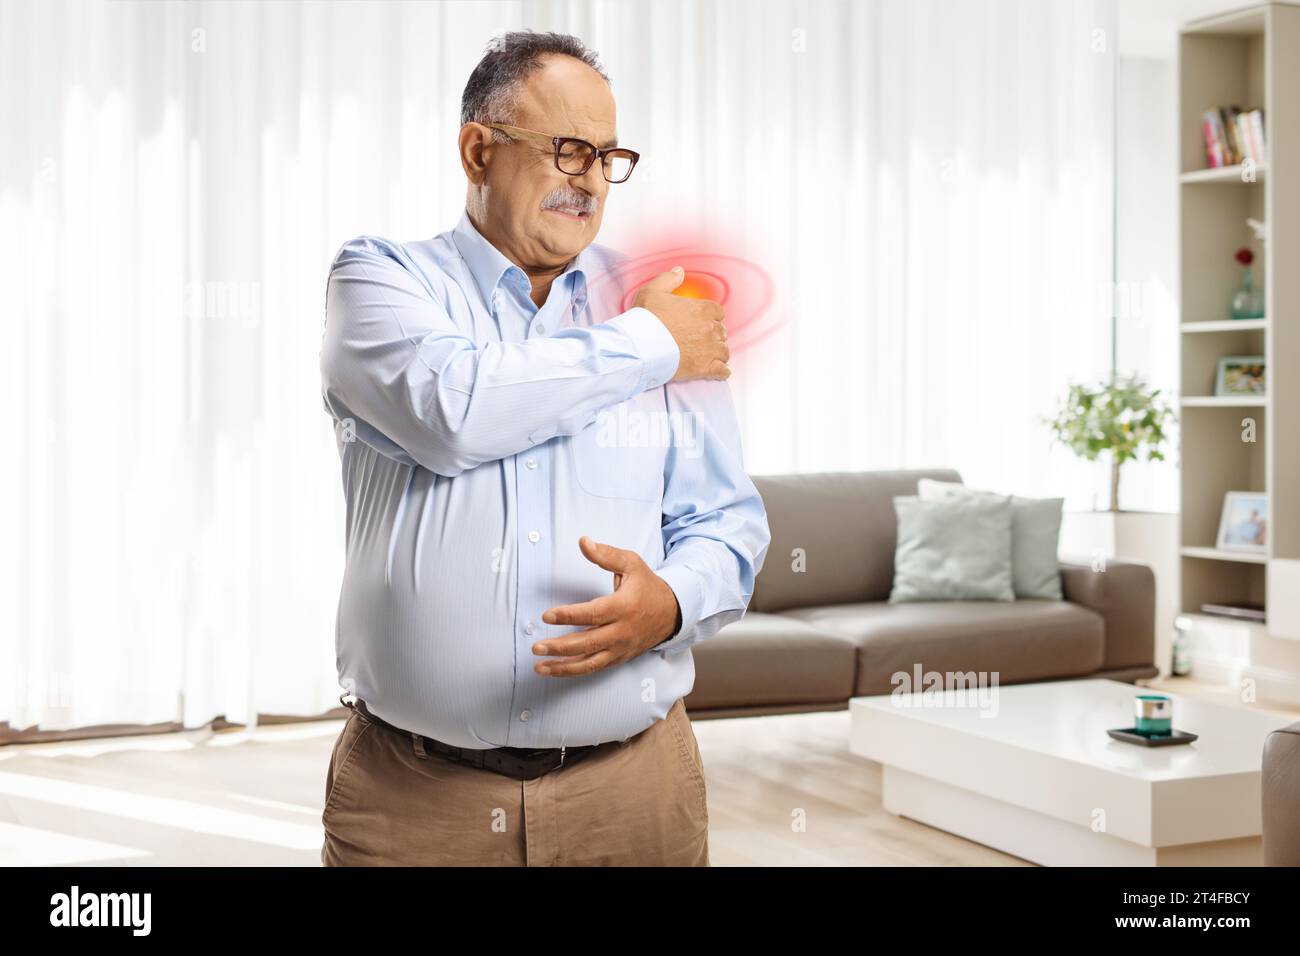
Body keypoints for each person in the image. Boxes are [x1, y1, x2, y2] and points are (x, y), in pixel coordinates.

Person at [317, 30, 770, 866]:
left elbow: (729, 525)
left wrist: (669, 602)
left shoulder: (656, 303)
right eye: (566, 150)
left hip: (632, 797)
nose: (591, 179)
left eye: (607, 155)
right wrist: (650, 344)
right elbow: (456, 408)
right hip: (413, 807)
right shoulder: (381, 281)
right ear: (478, 150)